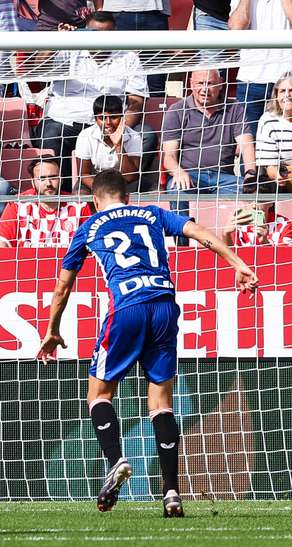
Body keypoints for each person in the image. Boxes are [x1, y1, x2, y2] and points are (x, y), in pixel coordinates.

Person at [39, 170, 259, 518]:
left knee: (98, 395)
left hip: (126, 308)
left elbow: (62, 288)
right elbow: (198, 233)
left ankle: (116, 461)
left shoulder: (90, 226)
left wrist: (51, 330)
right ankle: (171, 491)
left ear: (96, 199)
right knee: (161, 403)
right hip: (164, 307)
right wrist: (238, 263)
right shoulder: (152, 213)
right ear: (125, 195)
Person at [31, 11, 150, 190]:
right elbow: (37, 70)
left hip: (111, 122)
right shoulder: (67, 49)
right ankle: (61, 197)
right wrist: (57, 41)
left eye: (106, 35)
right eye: (94, 34)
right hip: (66, 121)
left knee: (146, 135)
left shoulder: (129, 58)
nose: (99, 41)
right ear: (84, 31)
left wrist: (119, 129)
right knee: (50, 135)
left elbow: (136, 103)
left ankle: (118, 190)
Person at [162, 69, 256, 199]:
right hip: (190, 176)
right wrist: (178, 172)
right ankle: (184, 220)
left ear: (221, 84)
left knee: (253, 194)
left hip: (224, 178)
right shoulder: (177, 110)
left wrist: (250, 175)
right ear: (191, 84)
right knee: (177, 190)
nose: (205, 89)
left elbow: (247, 145)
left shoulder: (235, 108)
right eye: (200, 83)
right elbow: (169, 155)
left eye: (210, 83)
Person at [0, 157, 91, 248]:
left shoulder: (79, 206)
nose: (48, 183)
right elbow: (1, 241)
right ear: (33, 182)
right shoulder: (17, 204)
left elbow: (92, 243)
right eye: (42, 178)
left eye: (53, 177)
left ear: (61, 180)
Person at [228, 0, 292, 136]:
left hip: (286, 81)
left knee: (286, 144)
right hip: (250, 80)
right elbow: (236, 28)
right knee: (248, 145)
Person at [75, 94, 143, 192]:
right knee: (81, 194)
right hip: (95, 182)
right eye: (102, 118)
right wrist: (104, 190)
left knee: (157, 190)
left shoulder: (134, 136)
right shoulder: (86, 135)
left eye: (114, 117)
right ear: (95, 119)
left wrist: (119, 145)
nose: (108, 122)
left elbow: (131, 177)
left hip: (124, 182)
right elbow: (84, 174)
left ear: (122, 117)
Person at [255, 72, 292, 191]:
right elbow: (270, 166)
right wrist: (278, 177)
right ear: (276, 95)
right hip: (280, 182)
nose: (287, 95)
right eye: (282, 91)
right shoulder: (268, 120)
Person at [221, 201, 292, 246]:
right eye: (249, 200)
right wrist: (226, 235)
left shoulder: (285, 224)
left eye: (259, 200)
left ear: (271, 203)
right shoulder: (237, 223)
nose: (254, 205)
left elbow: (284, 259)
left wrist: (265, 243)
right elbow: (230, 258)